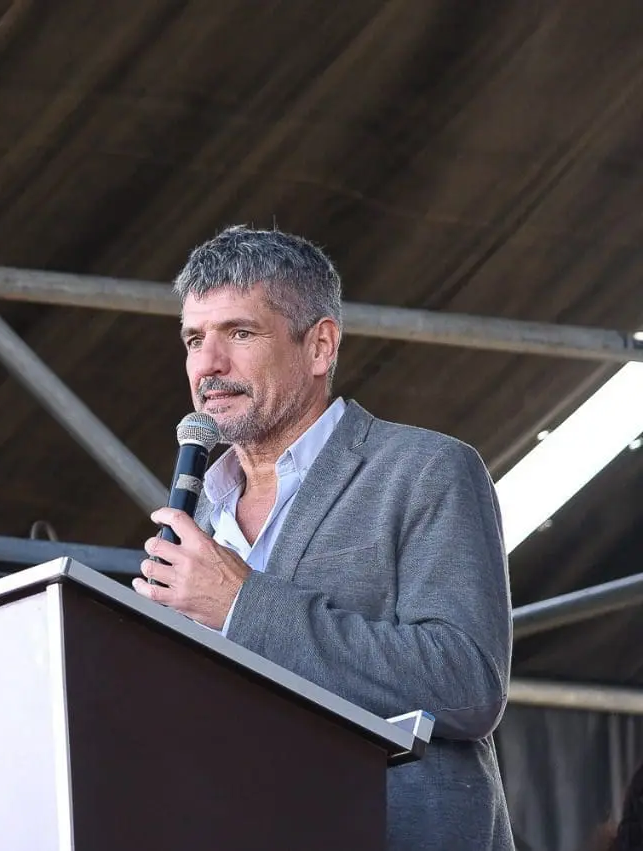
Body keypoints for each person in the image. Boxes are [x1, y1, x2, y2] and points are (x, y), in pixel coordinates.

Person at [133, 225, 516, 850]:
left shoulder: (424, 470)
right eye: (194, 339)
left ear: (320, 346)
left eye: (240, 333)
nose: (208, 364)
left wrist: (241, 605)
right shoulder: (195, 516)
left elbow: (466, 683)